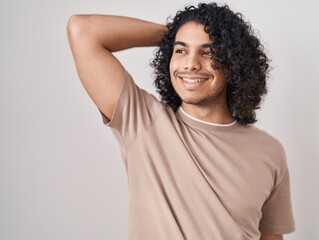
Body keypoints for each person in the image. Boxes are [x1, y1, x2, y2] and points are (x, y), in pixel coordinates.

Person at [67, 2, 295, 240]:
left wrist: (207, 37)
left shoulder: (270, 152)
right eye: (181, 50)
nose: (190, 64)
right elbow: (82, 29)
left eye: (208, 52)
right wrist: (174, 33)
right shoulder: (144, 122)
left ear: (234, 63)